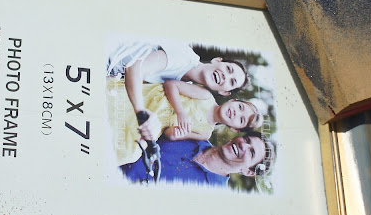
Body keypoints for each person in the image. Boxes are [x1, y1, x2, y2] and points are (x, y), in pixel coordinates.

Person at [106, 40, 250, 140]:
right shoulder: (185, 57)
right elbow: (134, 66)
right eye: (229, 69)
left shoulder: (186, 83)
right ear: (217, 60)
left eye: (232, 81)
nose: (225, 76)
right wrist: (140, 111)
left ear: (224, 92)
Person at [106, 79, 265, 165]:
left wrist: (176, 133)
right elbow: (171, 85)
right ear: (233, 100)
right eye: (240, 107)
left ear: (236, 129)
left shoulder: (205, 133)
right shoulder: (206, 97)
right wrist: (180, 111)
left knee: (131, 153)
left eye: (241, 119)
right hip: (154, 100)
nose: (236, 112)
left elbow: (168, 134)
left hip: (157, 125)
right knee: (118, 108)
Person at [120, 132, 274, 187]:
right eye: (246, 139)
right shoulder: (193, 134)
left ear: (248, 171)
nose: (243, 145)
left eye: (251, 152)